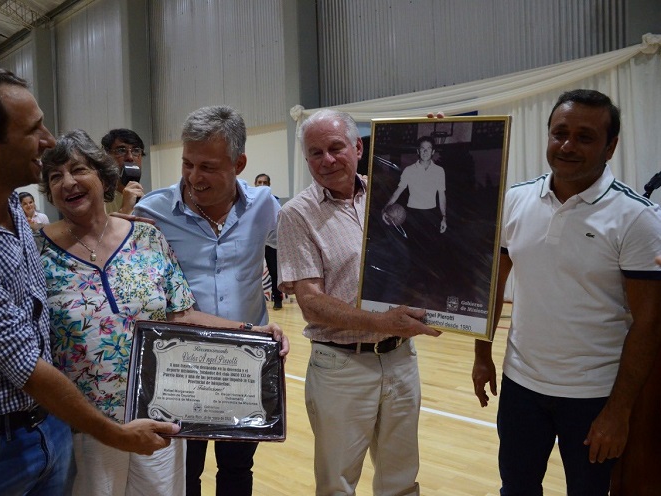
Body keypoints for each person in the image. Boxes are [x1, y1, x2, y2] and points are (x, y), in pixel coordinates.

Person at [0, 68, 178, 496]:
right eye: (33, 128)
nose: (48, 140)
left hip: (46, 429)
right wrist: (117, 434)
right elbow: (25, 365)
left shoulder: (9, 211)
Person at [35, 129, 288, 495]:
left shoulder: (145, 237)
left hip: (157, 414)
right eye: (55, 176)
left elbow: (180, 316)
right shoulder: (33, 253)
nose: (68, 183)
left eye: (78, 170)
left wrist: (250, 330)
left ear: (104, 177)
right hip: (83, 428)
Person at [472, 89, 661, 495]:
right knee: (517, 489)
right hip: (521, 386)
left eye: (585, 137)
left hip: (594, 396)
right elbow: (493, 284)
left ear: (610, 147)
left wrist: (619, 411)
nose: (568, 146)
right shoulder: (516, 201)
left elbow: (648, 323)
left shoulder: (637, 218)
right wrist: (482, 355)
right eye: (560, 133)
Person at [277, 108, 441, 496]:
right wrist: (384, 323)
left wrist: (433, 130)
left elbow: (432, 240)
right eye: (315, 153)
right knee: (337, 485)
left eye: (336, 148)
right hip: (340, 366)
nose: (327, 160)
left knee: (401, 480)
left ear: (358, 147)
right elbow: (312, 303)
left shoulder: (388, 194)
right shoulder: (296, 214)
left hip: (401, 358)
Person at [134, 105, 281, 496]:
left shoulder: (265, 206)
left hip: (243, 364)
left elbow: (302, 250)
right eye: (187, 164)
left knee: (238, 469)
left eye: (208, 167)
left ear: (239, 162)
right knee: (186, 472)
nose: (194, 178)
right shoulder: (151, 212)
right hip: (180, 367)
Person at [383, 135, 447, 301]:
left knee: (431, 254)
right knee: (412, 255)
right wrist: (386, 207)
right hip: (413, 216)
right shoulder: (409, 170)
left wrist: (444, 217)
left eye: (428, 149)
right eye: (422, 149)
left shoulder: (439, 171)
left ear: (433, 151)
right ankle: (411, 290)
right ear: (418, 151)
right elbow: (398, 191)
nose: (425, 152)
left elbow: (442, 195)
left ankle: (429, 289)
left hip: (431, 215)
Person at [254, 173, 283, 310]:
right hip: (256, 242)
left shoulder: (274, 201)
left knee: (274, 272)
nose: (261, 185)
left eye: (264, 183)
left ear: (269, 185)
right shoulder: (249, 201)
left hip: (271, 243)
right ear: (255, 184)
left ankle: (277, 299)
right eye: (259, 182)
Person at [101, 128, 146, 214]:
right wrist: (125, 210)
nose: (130, 157)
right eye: (121, 150)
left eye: (136, 151)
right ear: (106, 157)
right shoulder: (98, 200)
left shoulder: (146, 200)